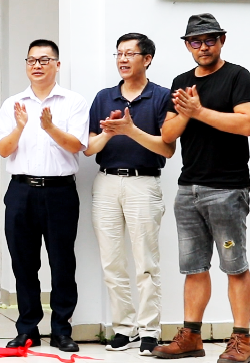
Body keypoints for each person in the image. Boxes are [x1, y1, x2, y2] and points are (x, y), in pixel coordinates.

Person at [153, 14, 250, 363]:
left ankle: (242, 341)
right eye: (196, 41)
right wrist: (188, 112)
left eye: (210, 40)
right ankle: (191, 337)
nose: (203, 47)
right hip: (189, 189)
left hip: (227, 188)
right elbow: (168, 135)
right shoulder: (182, 82)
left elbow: (246, 124)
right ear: (187, 45)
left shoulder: (237, 76)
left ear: (221, 41)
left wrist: (199, 111)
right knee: (194, 267)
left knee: (234, 266)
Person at [0, 39, 88, 352]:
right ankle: (27, 329)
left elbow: (77, 145)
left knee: (62, 263)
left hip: (60, 192)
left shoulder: (73, 102)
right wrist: (20, 128)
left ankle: (61, 330)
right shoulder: (12, 104)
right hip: (21, 191)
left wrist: (49, 128)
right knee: (23, 263)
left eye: (44, 60)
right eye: (32, 60)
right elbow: (3, 149)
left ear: (57, 65)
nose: (37, 65)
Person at [83, 33, 175, 355]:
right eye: (119, 53)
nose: (122, 59)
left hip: (143, 183)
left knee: (146, 262)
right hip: (106, 182)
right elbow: (89, 148)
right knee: (112, 262)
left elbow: (167, 149)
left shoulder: (162, 96)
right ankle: (124, 328)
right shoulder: (104, 97)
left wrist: (132, 131)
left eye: (130, 54)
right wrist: (110, 133)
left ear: (147, 59)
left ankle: (150, 330)